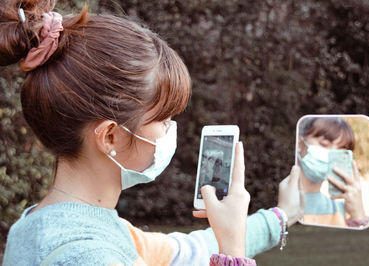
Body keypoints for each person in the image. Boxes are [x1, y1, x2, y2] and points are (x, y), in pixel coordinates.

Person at [1, 1, 304, 265]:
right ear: (110, 137)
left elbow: (188, 251)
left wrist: (281, 215)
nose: (171, 131)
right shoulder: (89, 256)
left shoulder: (40, 226)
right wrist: (233, 251)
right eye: (163, 119)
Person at [297, 117, 369, 227]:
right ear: (299, 143)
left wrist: (358, 216)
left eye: (340, 151)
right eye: (324, 144)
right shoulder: (280, 202)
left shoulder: (342, 211)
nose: (331, 155)